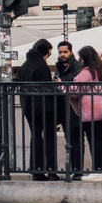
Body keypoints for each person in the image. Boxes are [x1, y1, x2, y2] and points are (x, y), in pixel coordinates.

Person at [17, 38, 60, 179]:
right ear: (45, 52)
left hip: (28, 106)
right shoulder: (41, 65)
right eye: (49, 53)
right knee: (49, 137)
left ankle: (36, 170)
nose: (48, 56)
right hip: (44, 107)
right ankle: (51, 171)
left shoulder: (25, 65)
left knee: (35, 136)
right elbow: (46, 87)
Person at [70, 45, 102, 173]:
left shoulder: (87, 72)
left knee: (94, 140)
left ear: (84, 59)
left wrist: (60, 86)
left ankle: (98, 170)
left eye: (80, 59)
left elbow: (74, 91)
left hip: (92, 110)